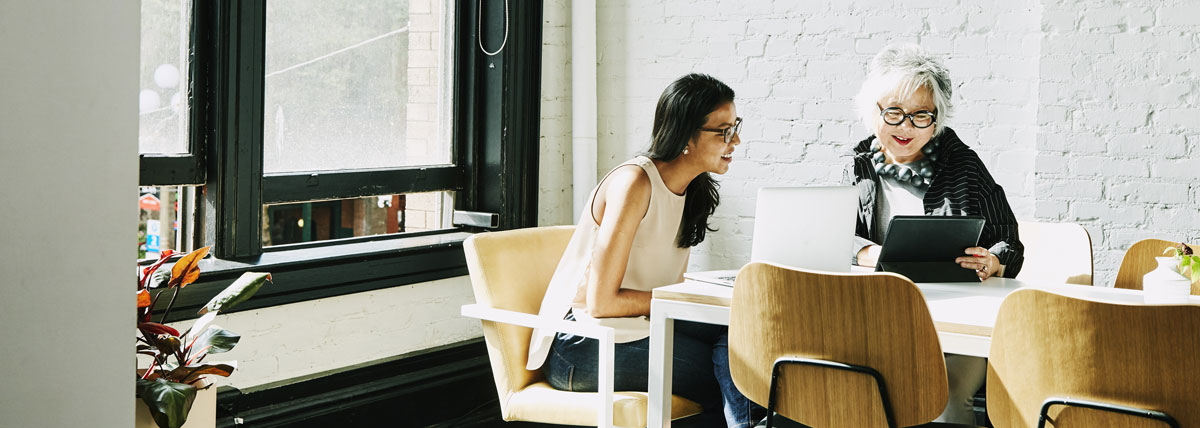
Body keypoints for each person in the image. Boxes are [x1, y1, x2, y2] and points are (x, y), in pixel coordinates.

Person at [526, 73, 759, 428]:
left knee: (747, 333)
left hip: (638, 327)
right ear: (686, 136)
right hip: (583, 343)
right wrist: (680, 299)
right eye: (723, 131)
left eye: (735, 126)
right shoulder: (634, 182)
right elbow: (601, 303)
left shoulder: (692, 189)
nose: (736, 140)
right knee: (737, 373)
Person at [846, 44, 1025, 424]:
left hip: (958, 324)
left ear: (936, 119)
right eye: (893, 112)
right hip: (882, 319)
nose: (905, 127)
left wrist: (993, 261)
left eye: (920, 115)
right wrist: (869, 254)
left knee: (947, 394)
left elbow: (1010, 241)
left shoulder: (965, 164)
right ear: (872, 110)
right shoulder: (857, 167)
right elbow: (831, 238)